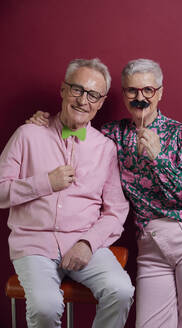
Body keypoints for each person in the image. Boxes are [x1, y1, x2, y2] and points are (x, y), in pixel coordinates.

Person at [26, 58, 182, 328]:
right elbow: (78, 129)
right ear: (124, 93)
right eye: (132, 91)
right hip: (151, 240)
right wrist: (44, 122)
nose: (140, 97)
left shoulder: (181, 134)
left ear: (159, 92)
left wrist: (159, 157)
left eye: (148, 90)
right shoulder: (113, 135)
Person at [0, 58, 135, 328]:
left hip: (84, 242)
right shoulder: (27, 134)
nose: (83, 100)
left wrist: (87, 243)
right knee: (45, 308)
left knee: (121, 291)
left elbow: (116, 210)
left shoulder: (105, 149)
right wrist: (45, 182)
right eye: (77, 89)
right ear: (63, 90)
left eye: (93, 95)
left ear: (100, 102)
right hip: (34, 245)